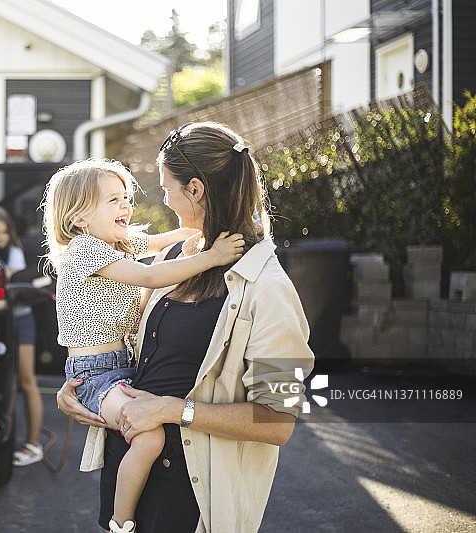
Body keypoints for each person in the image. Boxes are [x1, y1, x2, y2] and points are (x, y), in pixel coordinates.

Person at [56, 123, 315, 533]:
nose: (163, 201)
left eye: (167, 189)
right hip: (129, 469)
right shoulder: (174, 256)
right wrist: (80, 393)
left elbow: (279, 422)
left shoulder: (270, 289)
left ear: (195, 189)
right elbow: (113, 337)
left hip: (192, 498)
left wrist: (176, 410)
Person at [41, 159, 245, 533]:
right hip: (96, 374)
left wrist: (196, 231)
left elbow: (154, 243)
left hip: (120, 366)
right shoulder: (85, 249)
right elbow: (149, 274)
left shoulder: (113, 242)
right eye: (112, 200)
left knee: (147, 434)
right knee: (149, 437)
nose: (125, 207)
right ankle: (122, 522)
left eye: (125, 197)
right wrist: (212, 257)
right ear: (79, 219)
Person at [0, 205, 45, 467]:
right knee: (1, 382)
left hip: (20, 320)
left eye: (3, 232)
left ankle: (33, 444)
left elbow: (10, 279)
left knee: (26, 380)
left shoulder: (15, 253)